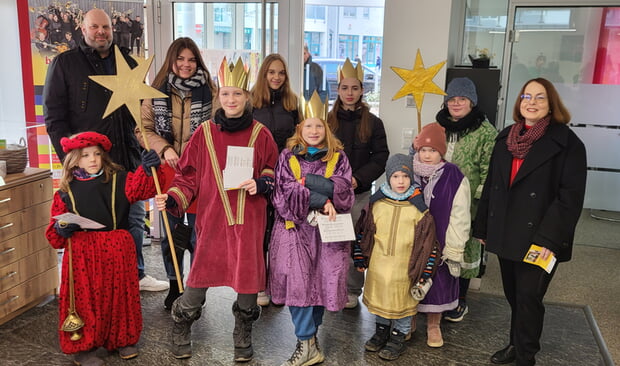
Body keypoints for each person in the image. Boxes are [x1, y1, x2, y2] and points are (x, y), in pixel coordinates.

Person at [154, 57, 278, 362]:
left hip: (248, 218)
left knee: (248, 277)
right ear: (218, 97)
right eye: (225, 94)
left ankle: (242, 332)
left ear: (247, 97)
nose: (231, 99)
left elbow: (272, 170)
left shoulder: (261, 134)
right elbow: (188, 176)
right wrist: (173, 198)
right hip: (211, 218)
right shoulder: (204, 133)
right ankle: (182, 322)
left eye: (237, 94)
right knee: (199, 276)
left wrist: (262, 184)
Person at [43, 8, 169, 293]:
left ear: (112, 29)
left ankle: (134, 275)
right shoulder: (65, 64)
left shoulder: (125, 60)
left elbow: (139, 108)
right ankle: (98, 281)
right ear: (83, 29)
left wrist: (144, 146)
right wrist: (70, 161)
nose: (101, 32)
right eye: (94, 27)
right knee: (94, 223)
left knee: (135, 218)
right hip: (88, 163)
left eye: (105, 28)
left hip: (126, 158)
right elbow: (53, 117)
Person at [473, 78, 587, 365]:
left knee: (528, 296)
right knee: (513, 294)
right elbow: (492, 187)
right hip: (507, 231)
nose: (532, 102)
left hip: (542, 236)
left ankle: (526, 355)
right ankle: (515, 343)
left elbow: (569, 199)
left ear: (552, 105)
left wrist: (548, 240)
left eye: (540, 97)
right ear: (519, 102)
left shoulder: (567, 144)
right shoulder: (505, 139)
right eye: (527, 96)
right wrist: (483, 226)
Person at [45, 132, 163, 366]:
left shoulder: (119, 179)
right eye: (86, 155)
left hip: (116, 248)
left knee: (120, 296)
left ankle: (122, 339)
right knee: (85, 299)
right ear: (74, 159)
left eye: (97, 154)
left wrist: (148, 170)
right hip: (82, 253)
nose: (93, 159)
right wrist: (61, 229)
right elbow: (54, 235)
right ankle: (84, 346)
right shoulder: (65, 192)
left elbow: (142, 189)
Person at [268, 90, 354, 366]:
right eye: (309, 126)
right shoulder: (287, 157)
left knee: (321, 286)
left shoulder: (338, 157)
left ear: (327, 129)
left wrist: (308, 184)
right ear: (300, 129)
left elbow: (344, 191)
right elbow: (282, 194)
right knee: (298, 287)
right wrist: (320, 196)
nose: (314, 130)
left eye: (319, 125)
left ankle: (311, 340)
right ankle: (305, 341)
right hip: (294, 233)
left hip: (328, 235)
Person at [137, 37, 216, 310]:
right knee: (171, 232)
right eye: (180, 59)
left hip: (200, 173)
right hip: (168, 171)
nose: (186, 64)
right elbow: (143, 129)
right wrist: (165, 148)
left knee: (197, 233)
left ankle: (194, 286)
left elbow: (218, 132)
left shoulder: (212, 92)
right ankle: (174, 284)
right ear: (172, 61)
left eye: (191, 59)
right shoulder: (155, 91)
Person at [353, 153, 439, 361]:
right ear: (388, 178)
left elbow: (429, 243)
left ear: (411, 178)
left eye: (405, 176)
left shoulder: (419, 210)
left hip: (405, 269)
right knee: (381, 300)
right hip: (379, 267)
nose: (400, 181)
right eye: (395, 176)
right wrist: (359, 256)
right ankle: (381, 332)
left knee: (402, 303)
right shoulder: (377, 204)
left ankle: (398, 336)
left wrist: (425, 270)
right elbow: (363, 233)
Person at [432, 77, 497, 323]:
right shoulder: (438, 126)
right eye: (452, 99)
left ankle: (460, 300)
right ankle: (438, 296)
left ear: (472, 102)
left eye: (462, 99)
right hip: (438, 200)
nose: (456, 104)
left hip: (469, 202)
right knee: (438, 246)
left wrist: (480, 207)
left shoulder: (485, 132)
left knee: (464, 249)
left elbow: (489, 170)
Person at [327, 57, 389, 309]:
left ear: (362, 90)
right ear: (338, 90)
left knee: (353, 241)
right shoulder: (327, 121)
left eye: (354, 88)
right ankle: (330, 285)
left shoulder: (373, 123)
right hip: (330, 192)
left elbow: (381, 157)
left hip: (358, 193)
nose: (349, 93)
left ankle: (352, 289)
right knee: (330, 241)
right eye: (345, 88)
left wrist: (357, 179)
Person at [411, 122, 471, 347]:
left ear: (441, 152)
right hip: (414, 240)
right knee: (412, 278)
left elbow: (460, 214)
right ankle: (410, 319)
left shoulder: (453, 176)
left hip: (441, 240)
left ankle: (433, 324)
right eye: (423, 150)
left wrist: (455, 246)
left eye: (433, 151)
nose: (427, 155)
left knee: (437, 281)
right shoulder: (409, 171)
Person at [250, 53, 300, 306]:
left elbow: (300, 138)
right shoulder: (251, 102)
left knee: (280, 232)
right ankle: (259, 285)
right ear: (264, 74)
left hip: (285, 176)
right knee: (259, 231)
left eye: (281, 73)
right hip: (257, 176)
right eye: (271, 72)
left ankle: (277, 285)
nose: (276, 77)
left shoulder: (293, 103)